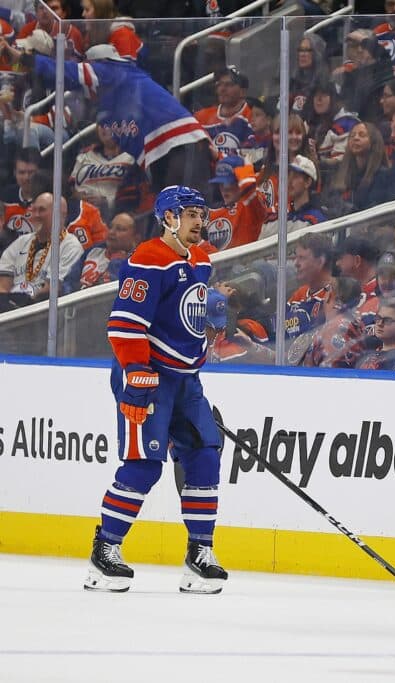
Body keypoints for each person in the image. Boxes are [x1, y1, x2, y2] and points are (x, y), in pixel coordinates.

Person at [87, 185, 227, 594]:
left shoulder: (201, 259)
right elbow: (125, 324)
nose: (200, 222)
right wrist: (135, 373)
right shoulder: (147, 259)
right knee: (143, 464)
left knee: (204, 455)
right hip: (148, 377)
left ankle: (200, 553)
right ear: (169, 218)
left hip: (186, 379)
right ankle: (105, 550)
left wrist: (212, 310)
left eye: (202, 213)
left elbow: (185, 314)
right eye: (191, 214)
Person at [5, 39, 213, 198]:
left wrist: (20, 57)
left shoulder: (113, 71)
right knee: (170, 211)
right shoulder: (110, 103)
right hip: (163, 151)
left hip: (182, 143)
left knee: (186, 207)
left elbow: (66, 72)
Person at [0, 191, 83, 303]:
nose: (36, 215)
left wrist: (26, 303)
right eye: (34, 210)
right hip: (13, 311)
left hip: (44, 312)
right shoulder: (20, 242)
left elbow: (53, 289)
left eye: (42, 210)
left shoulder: (70, 246)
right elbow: (3, 285)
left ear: (60, 214)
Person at [206, 155, 266, 251]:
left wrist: (246, 170)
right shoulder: (211, 214)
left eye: (230, 183)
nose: (225, 189)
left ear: (240, 180)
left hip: (248, 264)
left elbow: (249, 188)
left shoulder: (252, 207)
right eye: (221, 183)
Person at [330, 121, 391, 214]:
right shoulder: (341, 173)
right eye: (352, 135)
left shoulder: (382, 175)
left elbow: (373, 210)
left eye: (362, 135)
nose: (356, 138)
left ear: (373, 142)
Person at [66, 211, 137, 291]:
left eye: (120, 229)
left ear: (135, 237)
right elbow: (69, 280)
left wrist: (116, 261)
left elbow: (111, 290)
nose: (112, 232)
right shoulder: (93, 251)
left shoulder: (136, 264)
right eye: (110, 227)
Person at [194, 66, 255, 158]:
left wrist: (219, 156)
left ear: (243, 92)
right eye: (219, 84)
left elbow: (256, 155)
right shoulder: (201, 117)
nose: (222, 89)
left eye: (228, 85)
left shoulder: (253, 117)